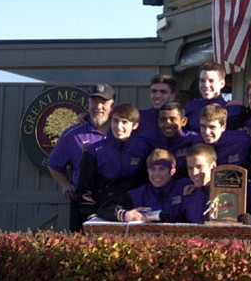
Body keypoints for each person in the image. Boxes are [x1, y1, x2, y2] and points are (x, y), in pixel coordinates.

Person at [47, 83, 115, 231]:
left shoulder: (121, 131)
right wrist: (65, 185)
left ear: (112, 105)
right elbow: (53, 164)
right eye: (94, 102)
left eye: (103, 102)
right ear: (88, 104)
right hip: (84, 202)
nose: (98, 107)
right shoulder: (72, 134)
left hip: (114, 199)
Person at [76, 103, 152, 220]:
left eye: (124, 122)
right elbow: (84, 188)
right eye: (115, 121)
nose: (118, 126)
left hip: (136, 212)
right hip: (103, 212)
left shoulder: (144, 149)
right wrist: (90, 215)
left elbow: (148, 184)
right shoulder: (95, 150)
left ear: (135, 125)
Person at [97, 149, 199, 223]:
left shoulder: (184, 187)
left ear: (172, 171)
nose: (156, 174)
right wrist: (125, 215)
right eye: (152, 169)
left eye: (161, 169)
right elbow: (104, 209)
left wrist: (196, 186)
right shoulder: (139, 194)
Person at [140, 102, 203, 180]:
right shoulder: (147, 140)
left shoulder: (193, 140)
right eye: (163, 120)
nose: (168, 124)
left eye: (173, 119)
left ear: (183, 121)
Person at [184, 61, 246, 132]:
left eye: (211, 81)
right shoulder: (190, 107)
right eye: (202, 80)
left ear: (222, 83)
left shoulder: (235, 111)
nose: (206, 85)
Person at [198, 104, 251, 170]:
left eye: (212, 127)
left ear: (223, 127)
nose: (207, 132)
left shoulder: (242, 140)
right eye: (203, 126)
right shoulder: (196, 142)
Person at [185, 143, 219, 223]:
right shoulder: (188, 194)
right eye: (190, 168)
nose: (194, 173)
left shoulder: (226, 193)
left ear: (213, 167)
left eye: (199, 167)